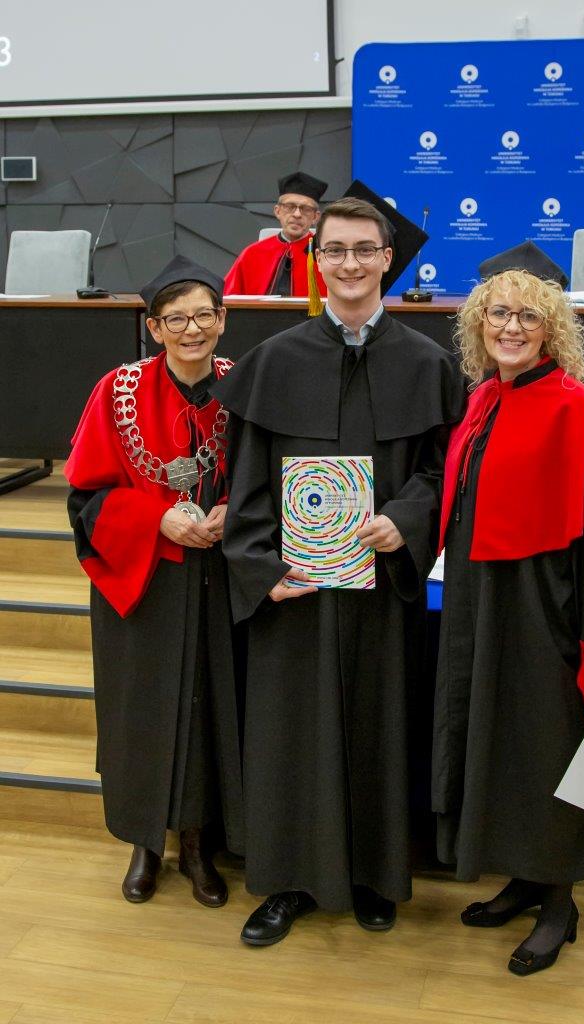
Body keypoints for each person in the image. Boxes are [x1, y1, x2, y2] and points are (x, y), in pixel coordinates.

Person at [212, 189, 463, 944]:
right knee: (291, 735)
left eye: (363, 250)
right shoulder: (273, 362)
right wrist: (260, 567)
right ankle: (288, 883)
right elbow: (245, 484)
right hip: (295, 592)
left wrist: (405, 521)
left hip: (380, 588)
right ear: (316, 261)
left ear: (387, 260)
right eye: (335, 250)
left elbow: (441, 474)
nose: (349, 263)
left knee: (379, 728)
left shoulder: (427, 364)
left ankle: (373, 877)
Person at [432, 241, 584, 975]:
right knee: (497, 742)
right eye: (499, 313)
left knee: (546, 744)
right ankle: (525, 877)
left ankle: (561, 901)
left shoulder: (579, 411)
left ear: (552, 328)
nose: (511, 326)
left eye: (528, 316)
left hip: (546, 611)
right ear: (479, 322)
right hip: (481, 600)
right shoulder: (483, 401)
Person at [65, 254, 243, 907]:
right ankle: (143, 843)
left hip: (219, 575)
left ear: (222, 320)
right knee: (138, 710)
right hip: (142, 579)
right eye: (176, 319)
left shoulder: (242, 386)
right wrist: (157, 519)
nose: (191, 329)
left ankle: (196, 845)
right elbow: (85, 497)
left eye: (203, 316)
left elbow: (270, 473)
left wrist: (234, 509)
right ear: (154, 327)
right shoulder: (117, 392)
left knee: (205, 710)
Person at [223, 171, 328, 297]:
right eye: (290, 206)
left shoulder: (325, 255)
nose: (297, 214)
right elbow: (227, 299)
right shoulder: (252, 254)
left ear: (316, 217)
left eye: (306, 209)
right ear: (277, 211)